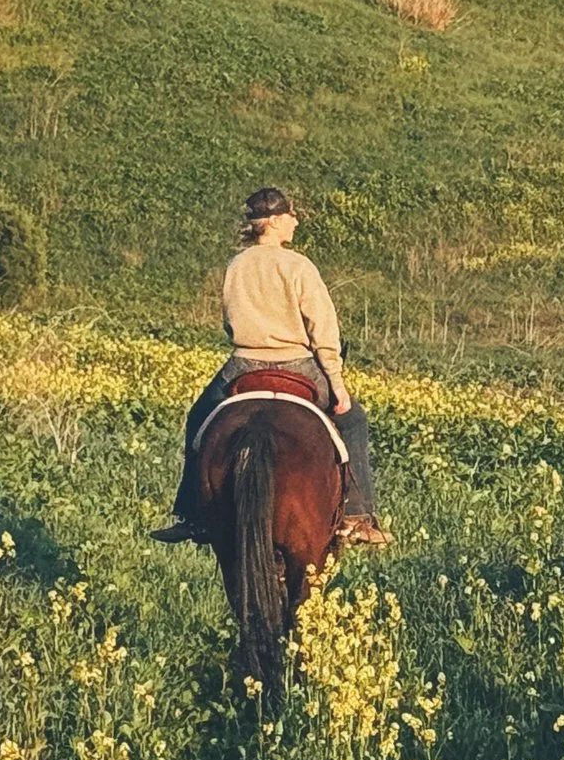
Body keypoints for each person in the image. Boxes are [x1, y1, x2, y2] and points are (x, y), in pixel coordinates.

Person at [155, 186, 389, 544]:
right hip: (297, 365)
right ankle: (358, 516)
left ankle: (191, 514)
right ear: (277, 221)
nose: (295, 222)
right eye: (292, 216)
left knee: (198, 418)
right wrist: (337, 383)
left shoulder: (236, 265)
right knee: (353, 420)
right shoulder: (298, 265)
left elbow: (229, 322)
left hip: (243, 365)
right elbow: (322, 328)